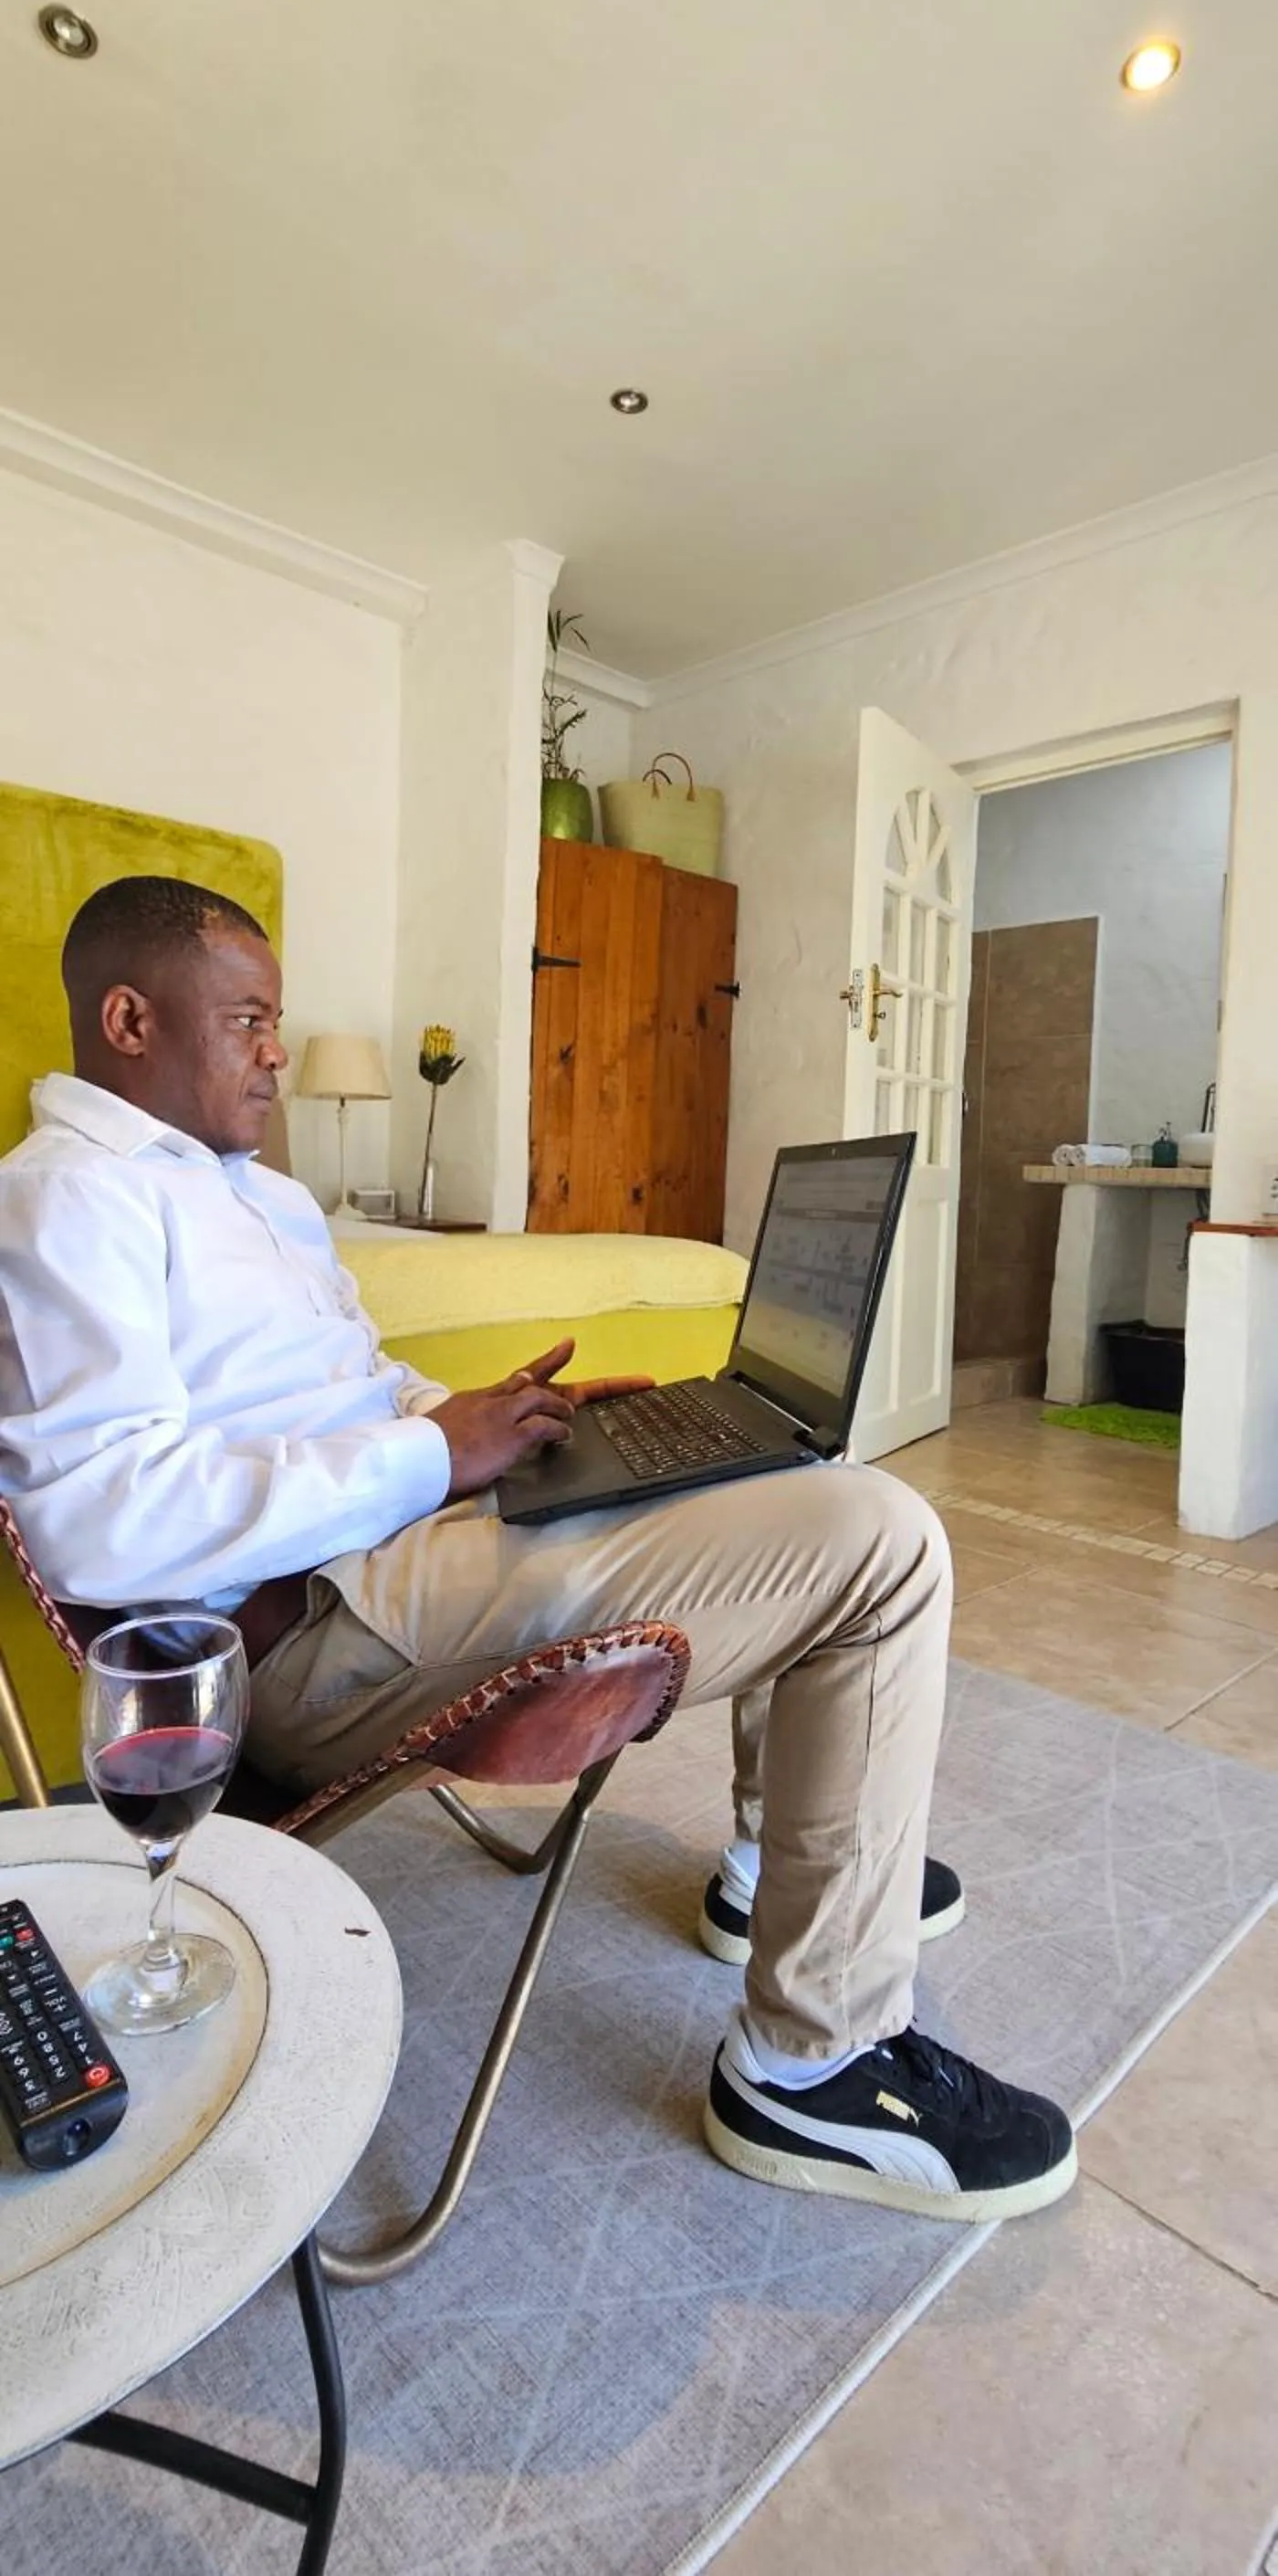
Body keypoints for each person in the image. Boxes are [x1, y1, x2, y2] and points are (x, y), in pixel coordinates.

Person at [0, 876, 1075, 2224]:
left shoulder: (254, 1196)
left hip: (412, 1543)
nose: (278, 1049)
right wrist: (430, 1459)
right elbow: (96, 1517)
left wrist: (458, 1420)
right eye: (252, 1018)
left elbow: (340, 1382)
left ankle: (776, 1872)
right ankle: (814, 2064)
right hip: (314, 1632)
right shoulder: (69, 1199)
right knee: (882, 1544)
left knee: (791, 1463)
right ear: (129, 1020)